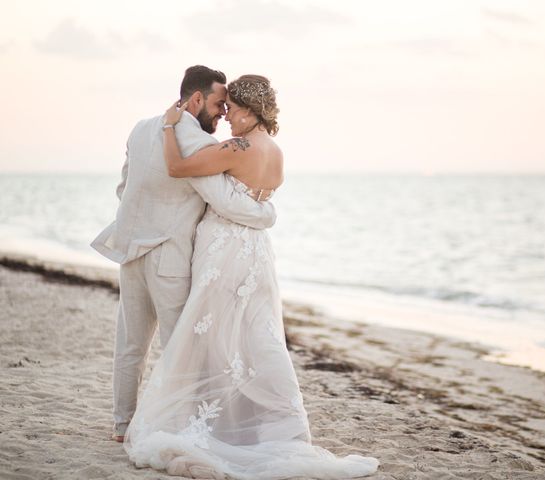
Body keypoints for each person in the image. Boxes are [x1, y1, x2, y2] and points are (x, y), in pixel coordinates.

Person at [124, 75, 379, 479]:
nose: (226, 118)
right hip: (257, 255)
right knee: (258, 338)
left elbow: (177, 167)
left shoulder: (236, 148)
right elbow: (257, 204)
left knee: (209, 338)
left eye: (232, 110)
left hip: (224, 250)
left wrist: (171, 125)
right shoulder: (275, 152)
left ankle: (212, 424)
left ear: (248, 110)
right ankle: (268, 428)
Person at [91, 66, 277, 443]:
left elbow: (125, 186)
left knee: (129, 345)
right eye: (218, 104)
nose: (223, 113)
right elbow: (225, 202)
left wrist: (140, 222)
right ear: (196, 99)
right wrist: (266, 213)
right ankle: (177, 426)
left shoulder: (143, 128)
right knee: (179, 347)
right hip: (169, 256)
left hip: (131, 249)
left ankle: (122, 425)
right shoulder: (202, 146)